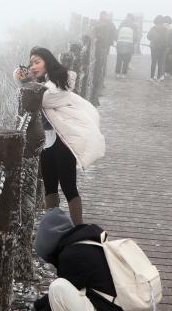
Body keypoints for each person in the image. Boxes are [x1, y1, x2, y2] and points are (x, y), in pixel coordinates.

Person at [15, 209, 150, 311]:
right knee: (90, 290)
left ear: (51, 245)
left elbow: (58, 298)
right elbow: (75, 288)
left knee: (58, 287)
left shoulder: (71, 256)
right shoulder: (93, 244)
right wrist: (35, 306)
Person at [14, 48, 105, 224]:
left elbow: (39, 99)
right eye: (31, 63)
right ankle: (52, 227)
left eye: (37, 62)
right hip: (48, 141)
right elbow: (34, 94)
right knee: (50, 188)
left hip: (63, 141)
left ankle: (78, 228)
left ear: (48, 62)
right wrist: (25, 78)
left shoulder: (58, 85)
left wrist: (25, 81)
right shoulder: (44, 84)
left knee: (68, 186)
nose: (33, 66)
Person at [93, 11, 117, 90]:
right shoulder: (97, 23)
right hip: (97, 46)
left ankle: (100, 82)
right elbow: (93, 33)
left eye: (104, 15)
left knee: (102, 64)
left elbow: (114, 33)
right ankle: (97, 81)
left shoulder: (109, 24)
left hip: (105, 46)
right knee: (98, 63)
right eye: (102, 15)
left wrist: (111, 41)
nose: (103, 16)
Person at [147, 15, 169, 81]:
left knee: (154, 62)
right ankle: (158, 77)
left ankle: (152, 77)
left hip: (154, 48)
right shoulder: (166, 29)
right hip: (163, 48)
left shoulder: (153, 29)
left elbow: (148, 37)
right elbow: (167, 39)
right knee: (160, 63)